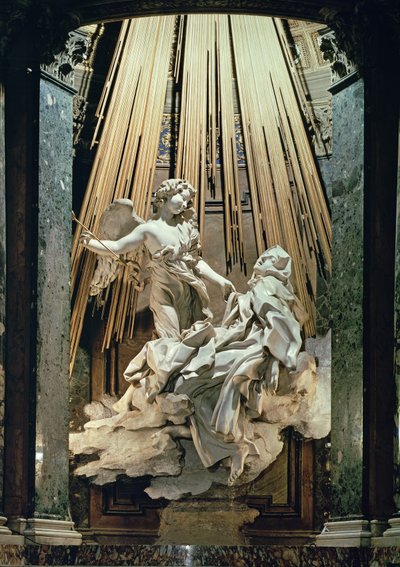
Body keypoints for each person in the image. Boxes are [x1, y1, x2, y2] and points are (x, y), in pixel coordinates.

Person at [81, 178, 235, 338]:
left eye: (187, 201)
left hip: (189, 293)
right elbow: (117, 246)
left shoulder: (185, 228)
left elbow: (196, 262)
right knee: (170, 340)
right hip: (164, 293)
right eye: (182, 198)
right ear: (167, 194)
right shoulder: (147, 229)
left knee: (190, 341)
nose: (184, 204)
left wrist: (220, 281)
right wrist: (89, 242)